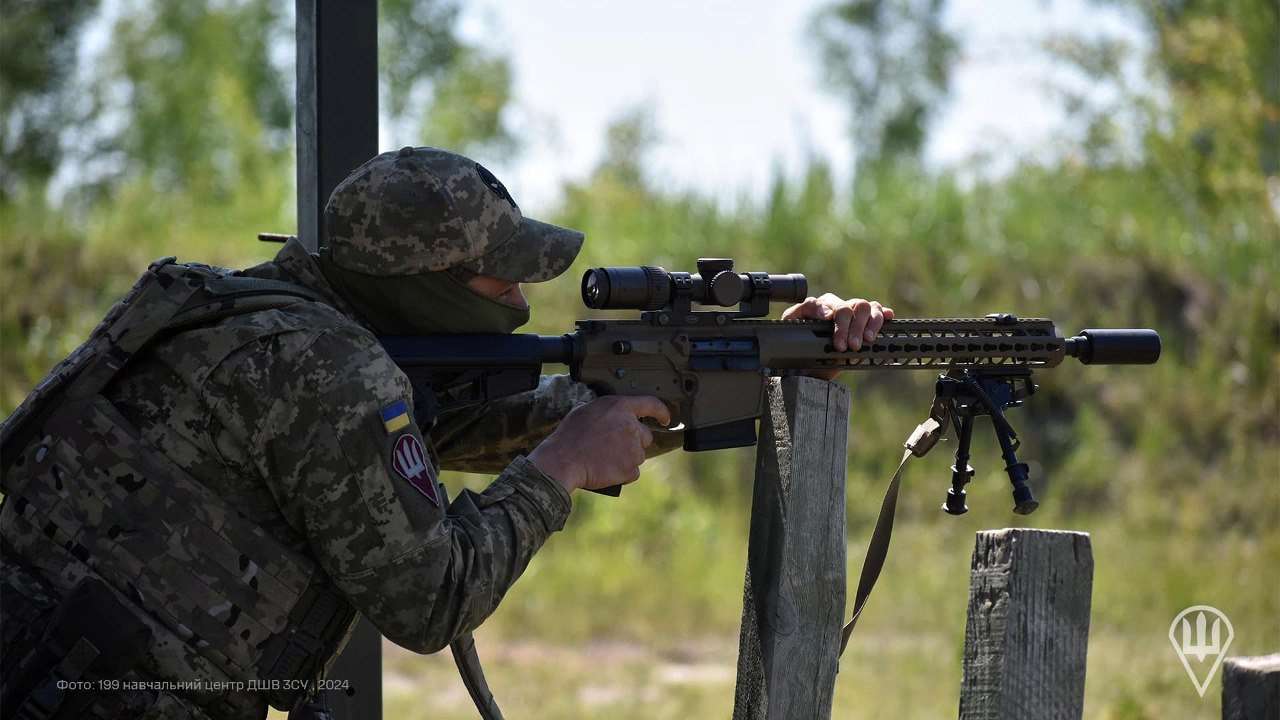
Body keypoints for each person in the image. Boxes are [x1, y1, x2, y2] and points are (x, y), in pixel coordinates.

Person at [0, 146, 893, 719]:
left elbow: (451, 427)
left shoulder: (246, 315)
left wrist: (756, 363)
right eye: (499, 279)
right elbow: (432, 602)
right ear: (423, 283)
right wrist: (557, 473)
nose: (520, 300)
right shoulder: (332, 375)